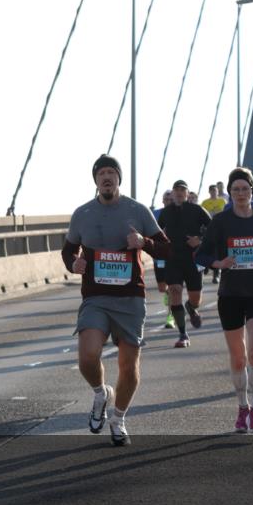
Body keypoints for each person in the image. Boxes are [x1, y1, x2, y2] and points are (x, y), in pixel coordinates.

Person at [62, 155, 171, 446]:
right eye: (102, 173)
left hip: (130, 298)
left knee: (129, 367)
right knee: (87, 355)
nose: (107, 177)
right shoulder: (82, 213)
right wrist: (73, 264)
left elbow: (167, 250)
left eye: (112, 172)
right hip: (96, 297)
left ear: (119, 179)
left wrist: (144, 243)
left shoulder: (137, 210)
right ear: (96, 180)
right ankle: (100, 393)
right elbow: (68, 251)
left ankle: (119, 418)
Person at [196, 167, 253, 433]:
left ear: (252, 191)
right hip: (231, 295)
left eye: (244, 189)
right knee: (238, 358)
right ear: (229, 193)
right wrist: (219, 262)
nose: (240, 193)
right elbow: (201, 255)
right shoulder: (220, 222)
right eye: (235, 189)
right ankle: (242, 408)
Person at [157, 180, 212, 348]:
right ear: (172, 194)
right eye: (176, 190)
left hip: (193, 259)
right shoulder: (166, 213)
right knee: (174, 290)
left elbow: (215, 229)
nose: (179, 193)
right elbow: (156, 233)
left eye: (182, 190)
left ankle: (191, 307)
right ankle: (182, 334)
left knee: (195, 298)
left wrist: (200, 240)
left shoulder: (197, 210)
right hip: (173, 259)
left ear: (187, 194)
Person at [153, 191, 175, 329]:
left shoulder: (178, 213)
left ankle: (170, 316)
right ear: (162, 200)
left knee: (173, 286)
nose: (168, 201)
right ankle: (167, 293)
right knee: (162, 288)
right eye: (166, 199)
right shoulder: (155, 214)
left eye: (170, 199)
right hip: (159, 255)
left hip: (174, 255)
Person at [202, 185, 227, 283]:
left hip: (220, 229)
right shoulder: (205, 203)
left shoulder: (222, 201)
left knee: (218, 252)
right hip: (208, 229)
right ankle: (206, 266)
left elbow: (226, 214)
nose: (213, 192)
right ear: (209, 192)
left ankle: (216, 275)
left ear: (217, 191)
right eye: (211, 191)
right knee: (208, 250)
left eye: (215, 190)